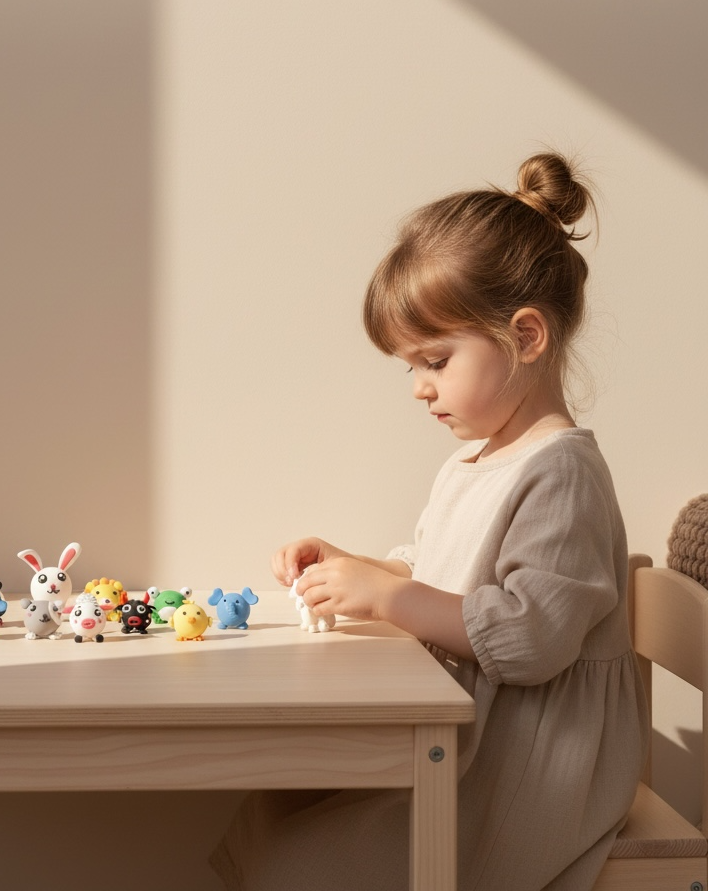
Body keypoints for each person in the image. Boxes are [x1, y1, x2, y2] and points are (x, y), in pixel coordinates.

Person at [210, 152, 649, 891]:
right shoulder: (478, 460)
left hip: (533, 766)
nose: (419, 389)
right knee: (268, 810)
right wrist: (357, 567)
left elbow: (530, 637)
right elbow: (438, 575)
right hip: (472, 736)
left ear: (527, 337)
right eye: (411, 367)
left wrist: (386, 600)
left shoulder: (561, 472)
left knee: (299, 859)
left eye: (435, 361)